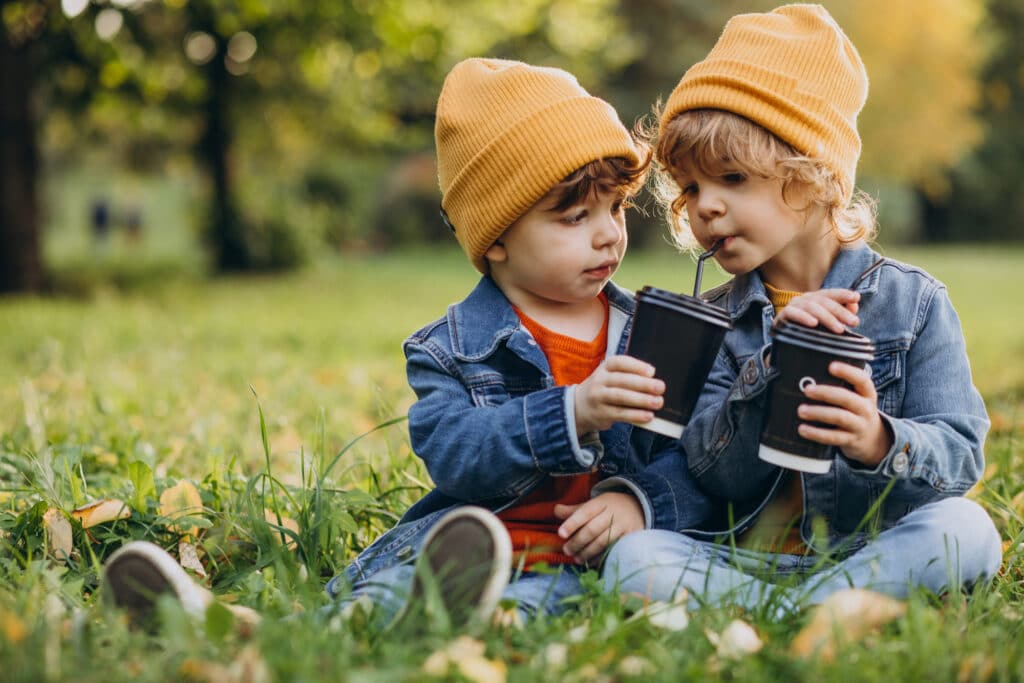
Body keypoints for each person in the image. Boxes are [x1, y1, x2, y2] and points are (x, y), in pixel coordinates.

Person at [104, 58, 710, 630]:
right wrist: (570, 413)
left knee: (521, 608)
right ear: (496, 236)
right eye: (575, 217)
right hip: (458, 549)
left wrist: (639, 503)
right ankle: (223, 625)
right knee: (383, 598)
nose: (608, 235)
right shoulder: (450, 348)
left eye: (617, 207)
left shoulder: (649, 333)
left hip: (571, 570)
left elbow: (695, 458)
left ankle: (418, 620)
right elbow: (455, 454)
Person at [603, 4, 1002, 617]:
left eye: (731, 177)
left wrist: (877, 439)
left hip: (867, 547)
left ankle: (802, 605)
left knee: (967, 529)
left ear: (815, 175)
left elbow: (960, 453)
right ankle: (822, 612)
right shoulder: (712, 322)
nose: (705, 206)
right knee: (634, 558)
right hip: (738, 555)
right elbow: (714, 477)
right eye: (691, 188)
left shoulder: (913, 303)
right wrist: (766, 369)